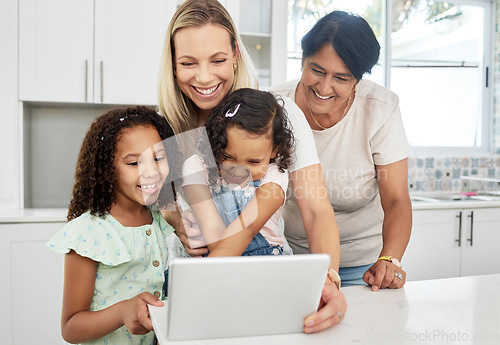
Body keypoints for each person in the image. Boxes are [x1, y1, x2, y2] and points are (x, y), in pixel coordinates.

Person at [157, 0, 346, 333]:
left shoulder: (276, 116)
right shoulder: (163, 130)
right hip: (194, 291)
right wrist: (174, 219)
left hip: (255, 282)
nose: (204, 76)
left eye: (217, 59)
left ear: (235, 54)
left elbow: (316, 209)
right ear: (173, 65)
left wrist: (329, 280)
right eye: (188, 62)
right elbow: (143, 210)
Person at [271, 11, 412, 291]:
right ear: (302, 61)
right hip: (292, 261)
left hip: (365, 269)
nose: (324, 87)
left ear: (358, 79)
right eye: (317, 70)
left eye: (342, 78)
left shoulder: (380, 108)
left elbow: (396, 199)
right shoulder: (274, 108)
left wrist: (389, 259)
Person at [46, 106, 178, 344]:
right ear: (108, 170)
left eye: (159, 158)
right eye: (134, 163)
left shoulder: (160, 219)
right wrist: (122, 311)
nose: (152, 172)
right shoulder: (89, 233)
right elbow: (71, 328)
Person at [181, 88, 294, 257]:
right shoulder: (196, 167)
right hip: (218, 253)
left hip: (267, 260)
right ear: (216, 142)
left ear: (274, 150)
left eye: (253, 162)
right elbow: (212, 230)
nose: (240, 170)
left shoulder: (275, 174)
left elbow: (247, 228)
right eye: (227, 157)